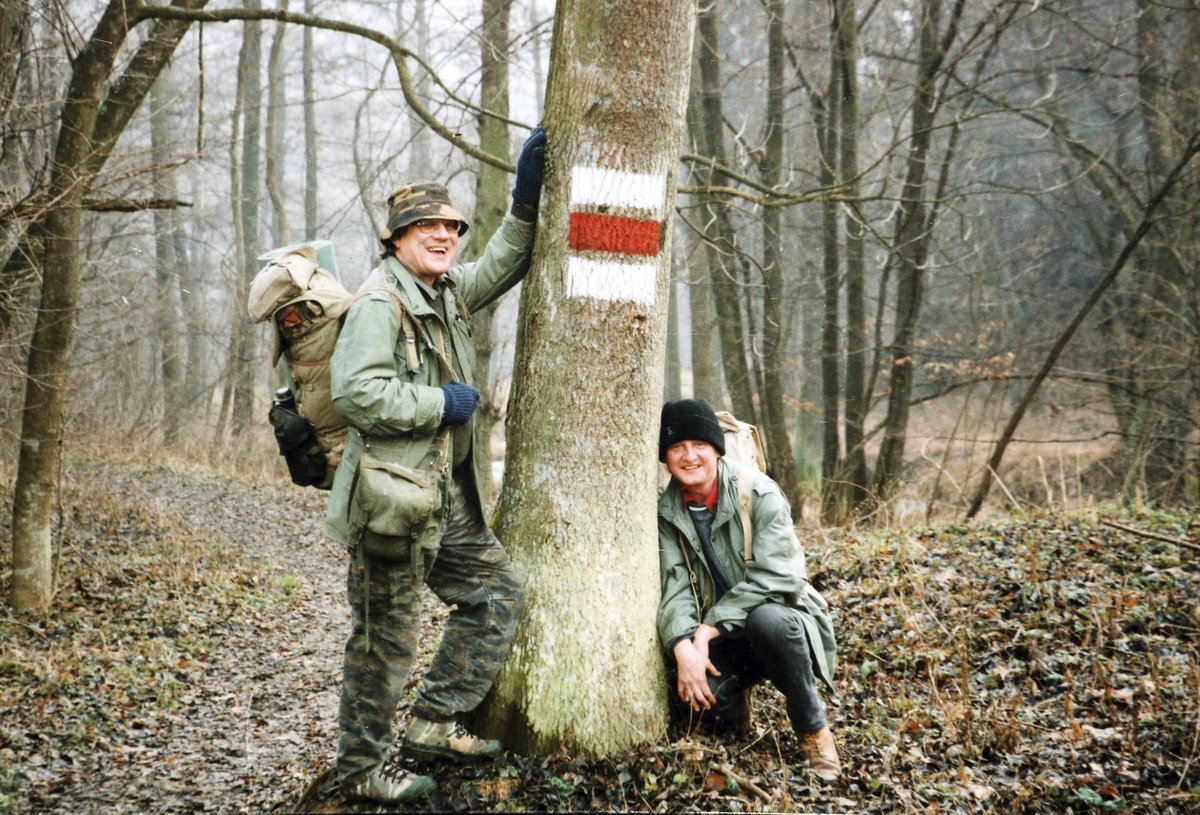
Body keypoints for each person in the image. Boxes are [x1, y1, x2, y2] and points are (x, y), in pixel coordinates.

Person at [324, 126, 546, 803]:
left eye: (450, 226)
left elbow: (501, 263)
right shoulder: (379, 302)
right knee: (382, 646)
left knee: (496, 593)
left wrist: (527, 198)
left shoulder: (444, 292)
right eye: (426, 227)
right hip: (391, 506)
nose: (444, 235)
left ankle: (429, 720)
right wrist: (440, 403)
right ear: (396, 239)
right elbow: (355, 392)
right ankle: (360, 770)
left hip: (442, 504)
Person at [656, 398, 842, 781]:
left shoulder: (758, 492)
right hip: (721, 640)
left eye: (699, 445)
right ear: (665, 457)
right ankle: (734, 705)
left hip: (779, 624)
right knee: (701, 693)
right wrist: (683, 646)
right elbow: (673, 584)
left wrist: (708, 629)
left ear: (716, 450)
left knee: (769, 620)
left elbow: (782, 578)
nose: (689, 456)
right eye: (676, 447)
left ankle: (813, 732)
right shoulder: (666, 513)